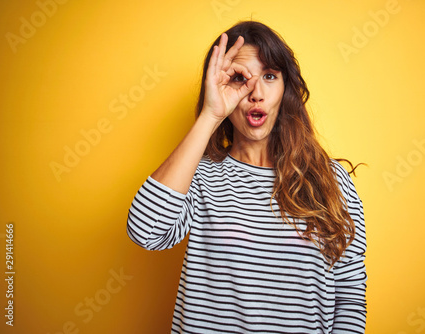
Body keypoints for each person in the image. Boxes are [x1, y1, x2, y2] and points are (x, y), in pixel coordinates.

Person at [127, 20, 366, 334]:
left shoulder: (329, 179)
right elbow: (146, 232)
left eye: (269, 76)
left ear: (286, 89)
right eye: (240, 78)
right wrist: (211, 115)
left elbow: (349, 293)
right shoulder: (196, 175)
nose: (256, 93)